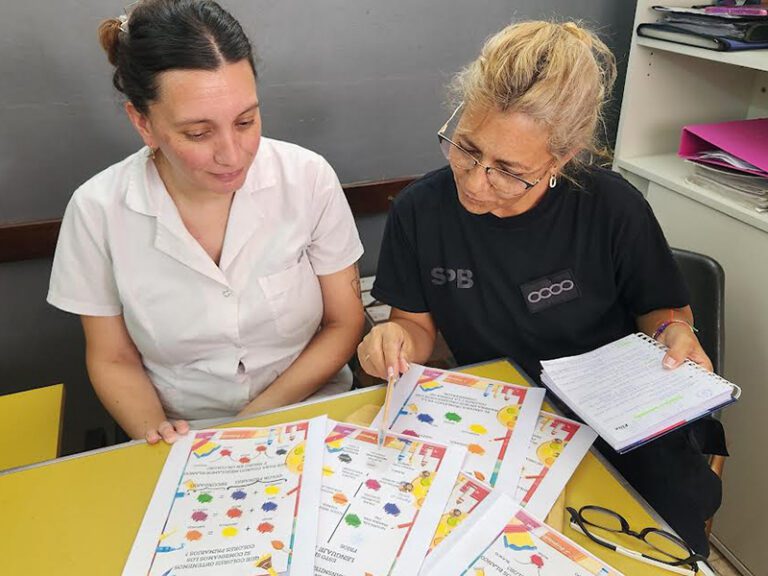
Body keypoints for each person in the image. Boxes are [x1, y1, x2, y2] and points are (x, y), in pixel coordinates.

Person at [357, 21, 723, 555]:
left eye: (508, 170)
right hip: (506, 421)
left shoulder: (611, 207)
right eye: (466, 148)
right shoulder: (420, 211)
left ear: (562, 158)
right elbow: (414, 327)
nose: (475, 180)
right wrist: (391, 342)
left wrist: (674, 332)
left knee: (652, 547)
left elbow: (662, 310)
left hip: (619, 424)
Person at [48, 0, 364, 445]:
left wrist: (249, 425)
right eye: (198, 133)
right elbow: (113, 357)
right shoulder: (97, 209)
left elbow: (343, 323)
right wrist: (156, 434)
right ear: (143, 123)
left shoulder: (307, 177)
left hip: (313, 410)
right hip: (183, 434)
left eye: (246, 121)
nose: (232, 154)